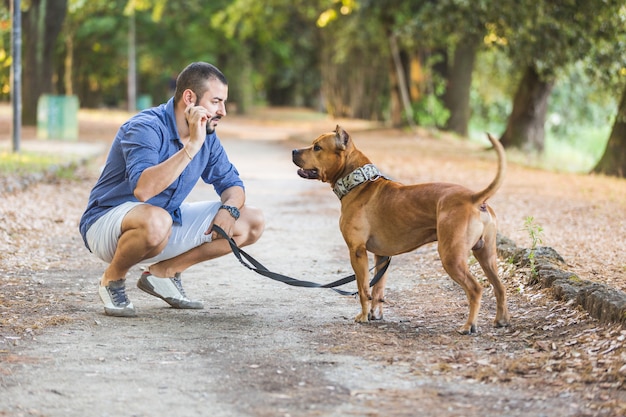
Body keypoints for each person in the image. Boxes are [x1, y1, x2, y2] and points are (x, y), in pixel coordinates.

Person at [79, 62, 265, 317]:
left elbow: (233, 185)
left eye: (224, 102)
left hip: (163, 222)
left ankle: (163, 274)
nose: (222, 110)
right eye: (216, 101)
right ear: (190, 98)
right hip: (107, 225)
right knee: (157, 220)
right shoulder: (145, 127)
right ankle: (112, 279)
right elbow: (144, 190)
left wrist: (230, 209)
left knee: (250, 221)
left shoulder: (207, 137)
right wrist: (191, 147)